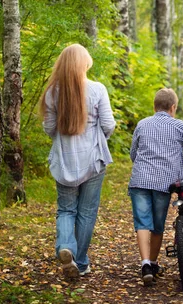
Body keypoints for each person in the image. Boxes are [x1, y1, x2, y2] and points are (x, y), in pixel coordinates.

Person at [41, 44, 116, 278]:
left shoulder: (52, 92)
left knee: (66, 210)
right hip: (93, 161)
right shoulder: (97, 89)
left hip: (64, 160)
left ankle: (66, 247)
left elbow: (49, 127)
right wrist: (95, 138)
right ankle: (81, 262)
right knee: (86, 212)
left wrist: (64, 140)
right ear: (84, 64)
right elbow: (108, 125)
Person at [129, 88, 183, 286]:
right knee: (157, 226)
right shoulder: (177, 125)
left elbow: (133, 154)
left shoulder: (142, 124)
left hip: (139, 181)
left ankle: (145, 265)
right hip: (163, 184)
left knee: (142, 223)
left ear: (154, 106)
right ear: (173, 107)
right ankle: (152, 262)